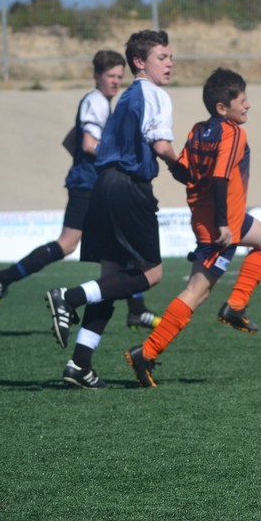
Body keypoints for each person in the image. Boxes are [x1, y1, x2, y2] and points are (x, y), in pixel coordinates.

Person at [0, 50, 161, 331]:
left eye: (119, 76)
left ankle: (136, 311)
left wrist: (84, 162)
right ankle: (3, 278)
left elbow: (71, 140)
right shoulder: (96, 101)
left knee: (119, 247)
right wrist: (116, 158)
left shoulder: (101, 103)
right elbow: (88, 144)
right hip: (87, 185)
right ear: (96, 76)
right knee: (69, 244)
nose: (116, 81)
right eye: (110, 76)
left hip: (94, 183)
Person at [45, 30, 183, 389]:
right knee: (151, 274)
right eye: (162, 57)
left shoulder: (125, 97)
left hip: (103, 185)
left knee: (110, 280)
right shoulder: (155, 94)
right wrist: (184, 169)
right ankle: (69, 297)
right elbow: (162, 146)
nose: (169, 63)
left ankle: (79, 364)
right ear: (140, 62)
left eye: (170, 57)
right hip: (128, 187)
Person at [125, 67, 261, 387]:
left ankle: (235, 306)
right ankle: (146, 352)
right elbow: (220, 177)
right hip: (221, 225)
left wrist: (168, 157)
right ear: (222, 108)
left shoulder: (198, 130)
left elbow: (185, 174)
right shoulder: (232, 133)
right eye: (242, 101)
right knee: (196, 292)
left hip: (220, 217)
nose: (248, 105)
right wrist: (223, 224)